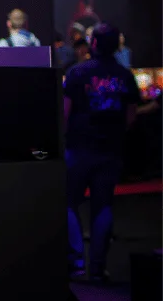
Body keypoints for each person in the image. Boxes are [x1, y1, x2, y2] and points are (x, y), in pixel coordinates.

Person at [63, 24, 140, 282]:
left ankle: (76, 264)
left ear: (93, 44)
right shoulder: (125, 75)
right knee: (103, 205)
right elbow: (131, 116)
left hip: (79, 147)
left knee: (68, 202)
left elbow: (65, 113)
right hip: (111, 149)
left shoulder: (77, 73)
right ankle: (98, 267)